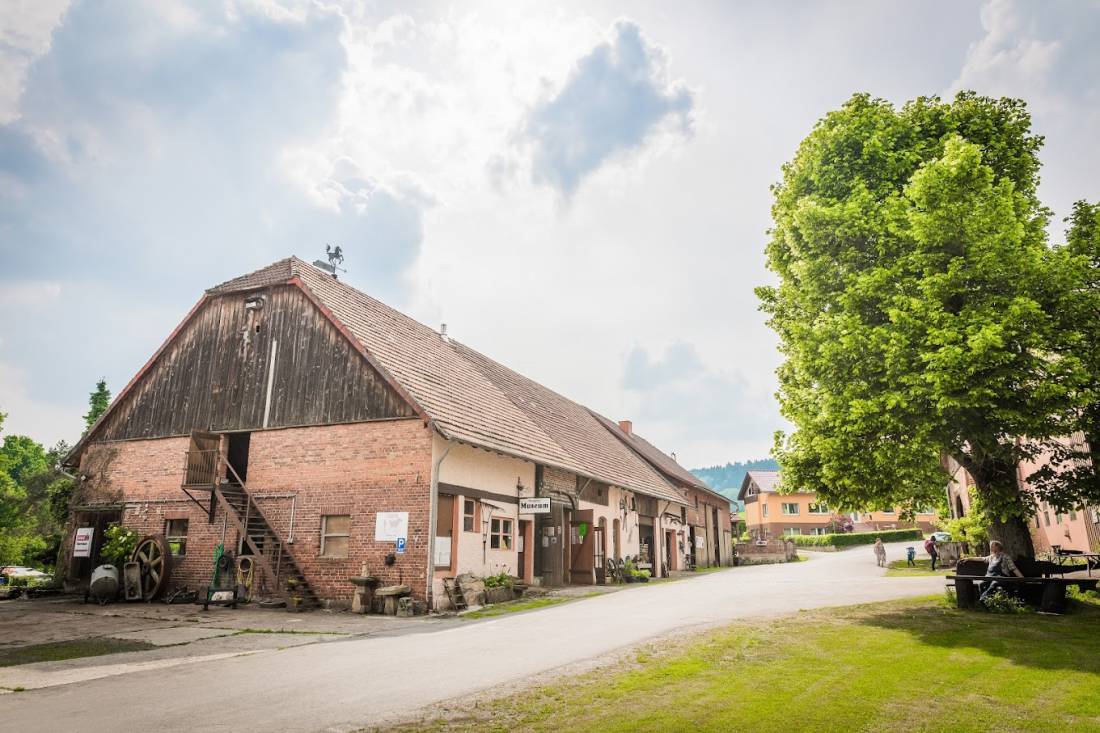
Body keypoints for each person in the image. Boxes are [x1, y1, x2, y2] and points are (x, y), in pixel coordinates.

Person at [979, 540, 1024, 605]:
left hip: (1002, 577)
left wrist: (1022, 578)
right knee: (982, 584)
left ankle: (983, 599)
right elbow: (981, 559)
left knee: (994, 583)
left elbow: (1013, 568)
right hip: (991, 577)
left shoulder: (1006, 557)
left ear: (998, 547)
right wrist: (968, 559)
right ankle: (987, 603)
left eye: (992, 546)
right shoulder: (991, 557)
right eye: (991, 546)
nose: (991, 547)